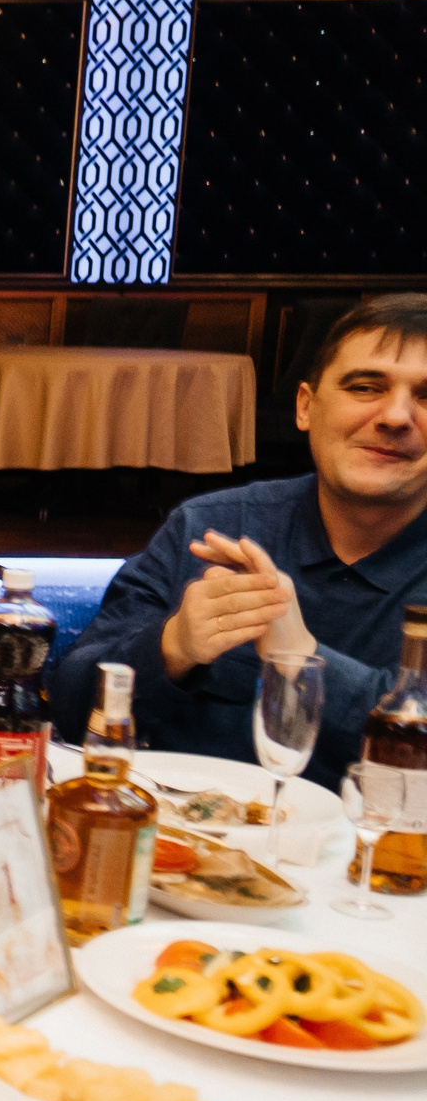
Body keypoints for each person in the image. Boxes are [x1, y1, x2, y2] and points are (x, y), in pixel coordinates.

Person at [55, 294, 427, 786]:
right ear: (306, 407)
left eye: (425, 397)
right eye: (365, 387)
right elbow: (68, 702)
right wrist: (171, 647)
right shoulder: (213, 526)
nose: (395, 417)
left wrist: (299, 655)